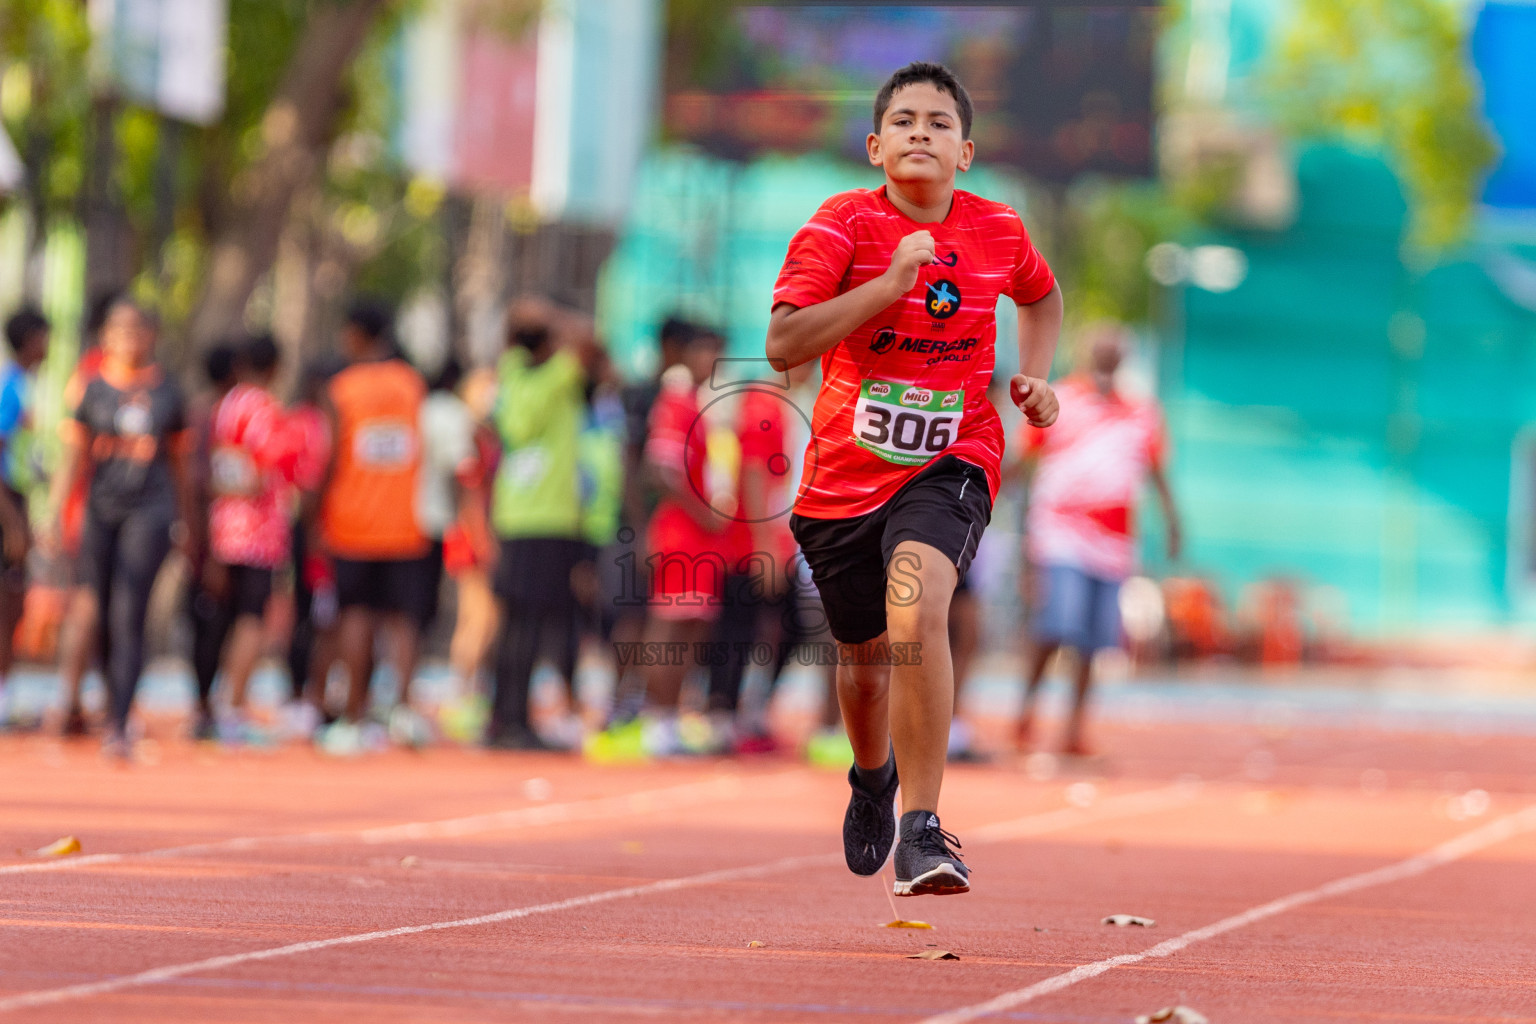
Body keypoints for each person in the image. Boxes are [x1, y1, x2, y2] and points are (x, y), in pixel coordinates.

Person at [764, 61, 1063, 897]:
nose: (920, 132)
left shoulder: (999, 229)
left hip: (952, 457)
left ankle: (923, 828)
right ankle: (872, 777)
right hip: (840, 483)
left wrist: (1038, 376)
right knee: (862, 666)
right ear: (874, 147)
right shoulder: (841, 226)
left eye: (938, 122)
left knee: (917, 604)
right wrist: (890, 283)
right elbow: (785, 345)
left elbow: (1041, 297)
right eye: (903, 121)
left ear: (965, 151)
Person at [1016, 324, 1181, 755]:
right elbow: (1024, 454)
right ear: (1087, 351)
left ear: (1124, 356)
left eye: (1116, 346)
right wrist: (985, 490)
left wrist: (1173, 521)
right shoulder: (1061, 398)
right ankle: (1026, 709)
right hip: (1062, 531)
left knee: (1092, 638)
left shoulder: (1143, 412)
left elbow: (1156, 471)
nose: (1108, 350)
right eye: (1100, 343)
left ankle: (1073, 729)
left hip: (1114, 541)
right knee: (1057, 623)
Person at [44, 299, 193, 758]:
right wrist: (53, 514)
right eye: (118, 329)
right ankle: (102, 700)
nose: (128, 337)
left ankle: (119, 720)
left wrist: (188, 522)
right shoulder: (90, 390)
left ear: (151, 335)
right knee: (98, 611)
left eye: (137, 329)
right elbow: (74, 458)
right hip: (99, 510)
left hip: (149, 511)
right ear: (105, 335)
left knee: (131, 611)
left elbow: (182, 467)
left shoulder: (169, 392)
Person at [315, 299, 430, 753]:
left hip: (352, 522)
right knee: (402, 621)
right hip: (404, 522)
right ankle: (402, 711)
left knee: (356, 616)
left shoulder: (340, 388)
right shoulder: (412, 384)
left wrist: (315, 516)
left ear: (357, 335)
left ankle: (353, 716)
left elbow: (329, 457)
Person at [485, 299, 597, 750]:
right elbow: (588, 338)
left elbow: (513, 340)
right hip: (550, 517)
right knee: (533, 623)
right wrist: (557, 315)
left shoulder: (510, 375)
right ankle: (515, 722)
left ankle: (503, 716)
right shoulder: (558, 377)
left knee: (514, 620)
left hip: (513, 514)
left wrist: (533, 319)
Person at [202, 335, 306, 743]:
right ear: (276, 368)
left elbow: (218, 466)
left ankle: (219, 702)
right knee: (252, 618)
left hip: (223, 525)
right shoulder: (265, 407)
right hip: (258, 532)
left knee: (228, 617)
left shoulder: (227, 404)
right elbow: (261, 471)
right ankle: (234, 705)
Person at [53, 291, 117, 737]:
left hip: (115, 509)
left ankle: (96, 698)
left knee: (109, 605)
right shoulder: (94, 376)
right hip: (92, 507)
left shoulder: (127, 375)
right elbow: (74, 448)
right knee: (90, 602)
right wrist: (57, 508)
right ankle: (73, 698)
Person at [186, 341, 241, 740]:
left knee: (212, 623)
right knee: (210, 623)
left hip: (213, 536)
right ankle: (205, 704)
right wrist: (202, 545)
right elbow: (197, 483)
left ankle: (206, 703)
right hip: (214, 538)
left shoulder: (203, 412)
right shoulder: (214, 416)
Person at [0, 308, 48, 726]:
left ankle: (7, 688)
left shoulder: (25, 385)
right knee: (6, 600)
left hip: (18, 501)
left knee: (15, 599)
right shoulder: (10, 386)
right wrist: (13, 522)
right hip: (5, 505)